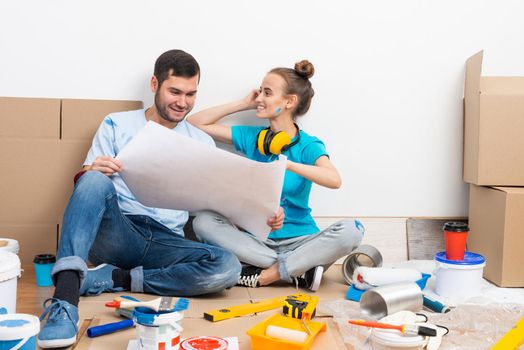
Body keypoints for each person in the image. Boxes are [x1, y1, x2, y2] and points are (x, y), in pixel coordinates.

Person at [37, 50, 242, 348]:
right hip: (120, 231)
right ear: (154, 84)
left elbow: (213, 202)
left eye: (190, 94)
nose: (182, 102)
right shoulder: (116, 123)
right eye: (174, 91)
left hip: (165, 241)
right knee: (93, 179)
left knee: (227, 266)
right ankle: (65, 299)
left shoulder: (202, 142)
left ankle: (117, 279)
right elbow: (86, 185)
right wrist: (92, 169)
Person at [187, 59, 365, 293]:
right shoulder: (254, 138)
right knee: (202, 222)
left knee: (353, 229)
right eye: (260, 91)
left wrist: (288, 165)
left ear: (290, 101)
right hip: (257, 241)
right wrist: (243, 104)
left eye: (267, 93)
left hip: (302, 241)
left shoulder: (308, 145)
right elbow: (195, 123)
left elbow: (334, 179)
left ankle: (268, 274)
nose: (260, 98)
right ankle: (298, 270)